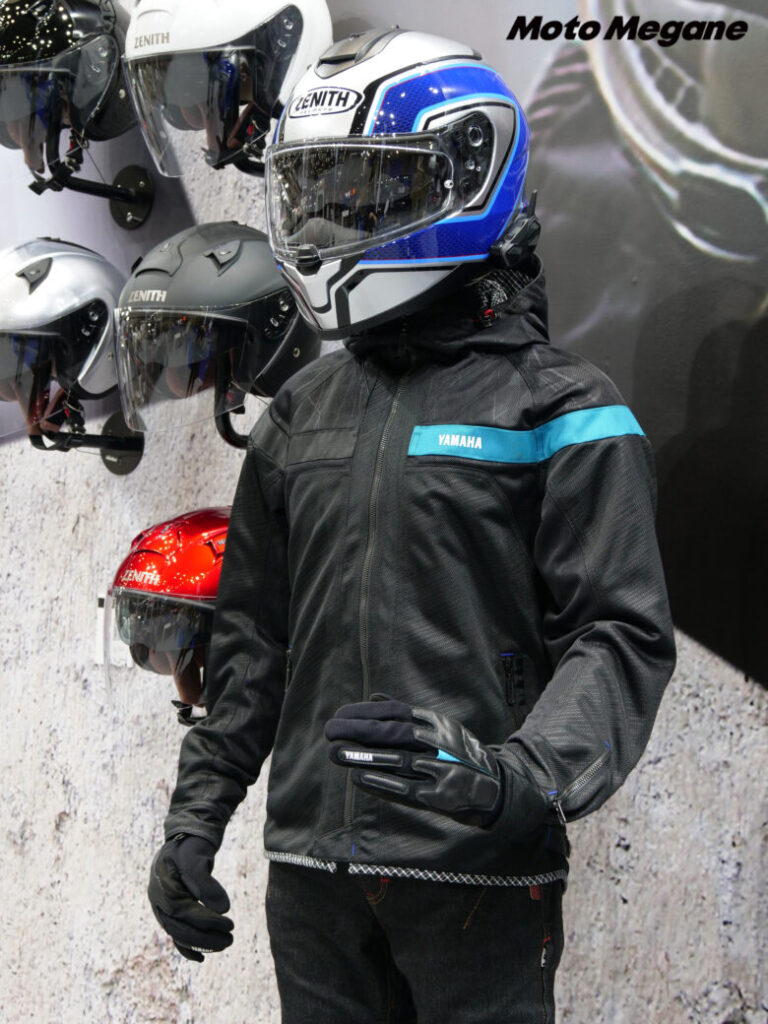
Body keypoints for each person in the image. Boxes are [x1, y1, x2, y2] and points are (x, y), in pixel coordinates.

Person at [147, 30, 676, 1023]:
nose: (326, 221)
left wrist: (513, 780)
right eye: (314, 189)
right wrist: (194, 820)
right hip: (313, 874)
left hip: (477, 871)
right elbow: (254, 639)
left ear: (465, 172)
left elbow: (619, 637)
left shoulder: (567, 412)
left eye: (360, 188)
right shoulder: (302, 412)